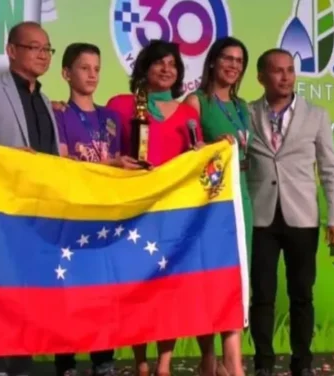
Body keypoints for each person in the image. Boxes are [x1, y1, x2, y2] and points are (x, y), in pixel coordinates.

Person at [105, 40, 204, 376]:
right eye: (159, 63)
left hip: (173, 215)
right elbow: (108, 152)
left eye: (173, 64)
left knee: (168, 290)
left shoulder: (190, 115)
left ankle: (164, 364)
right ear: (144, 68)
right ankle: (141, 362)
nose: (166, 69)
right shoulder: (121, 105)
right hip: (134, 211)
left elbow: (196, 160)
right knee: (138, 288)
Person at [246, 48, 334, 376]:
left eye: (290, 69)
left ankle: (301, 363)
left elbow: (330, 170)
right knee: (262, 295)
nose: (286, 76)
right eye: (277, 71)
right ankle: (263, 364)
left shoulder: (316, 115)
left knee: (301, 294)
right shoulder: (246, 114)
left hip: (302, 218)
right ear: (261, 77)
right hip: (261, 217)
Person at [0, 21, 60, 376]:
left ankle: (22, 366)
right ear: (11, 50)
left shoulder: (46, 100)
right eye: (33, 47)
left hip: (39, 213)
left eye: (47, 49)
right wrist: (8, 158)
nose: (42, 55)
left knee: (30, 295)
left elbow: (51, 158)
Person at [50, 42, 139, 376]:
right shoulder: (56, 113)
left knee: (104, 290)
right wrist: (108, 163)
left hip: (106, 215)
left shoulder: (112, 118)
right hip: (71, 214)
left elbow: (123, 164)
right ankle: (66, 361)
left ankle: (104, 360)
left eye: (97, 68)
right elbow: (61, 163)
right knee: (68, 290)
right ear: (66, 73)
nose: (92, 75)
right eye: (84, 68)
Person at [183, 36, 251, 376]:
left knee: (236, 282)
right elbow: (188, 150)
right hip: (209, 205)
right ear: (212, 61)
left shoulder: (242, 107)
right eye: (227, 58)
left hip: (241, 202)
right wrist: (212, 146)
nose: (233, 65)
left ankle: (231, 364)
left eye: (239, 61)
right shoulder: (196, 101)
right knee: (211, 281)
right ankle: (208, 359)